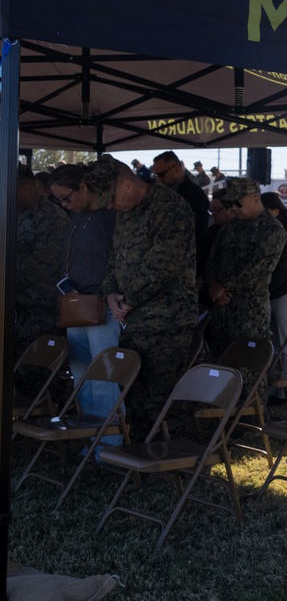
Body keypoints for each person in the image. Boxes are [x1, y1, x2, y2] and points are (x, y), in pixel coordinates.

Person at [84, 153, 199, 440]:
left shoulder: (169, 207)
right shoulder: (126, 212)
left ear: (125, 184)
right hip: (134, 319)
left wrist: (130, 298)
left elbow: (162, 263)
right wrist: (111, 293)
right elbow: (115, 257)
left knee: (161, 393)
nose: (110, 206)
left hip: (166, 320)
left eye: (110, 198)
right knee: (133, 389)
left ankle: (169, 459)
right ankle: (140, 454)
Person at [49, 164, 123, 448]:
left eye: (66, 198)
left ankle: (109, 444)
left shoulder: (109, 217)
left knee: (104, 380)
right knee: (81, 377)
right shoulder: (76, 217)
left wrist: (108, 293)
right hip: (75, 305)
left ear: (83, 187)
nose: (64, 204)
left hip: (101, 307)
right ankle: (90, 439)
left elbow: (117, 261)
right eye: (59, 201)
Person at [204, 178, 286, 360]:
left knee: (247, 371)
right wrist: (213, 284)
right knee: (218, 369)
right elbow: (213, 260)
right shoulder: (229, 228)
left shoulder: (272, 230)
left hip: (249, 314)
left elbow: (257, 270)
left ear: (256, 199)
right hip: (221, 313)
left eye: (237, 203)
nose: (233, 208)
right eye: (229, 204)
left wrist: (222, 288)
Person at [14, 166, 69, 356]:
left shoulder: (51, 217)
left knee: (37, 372)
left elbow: (47, 260)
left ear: (27, 188)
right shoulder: (14, 214)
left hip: (40, 311)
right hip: (17, 309)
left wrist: (8, 281)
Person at [260, 192, 287, 380]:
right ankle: (279, 383)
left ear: (275, 210)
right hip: (277, 289)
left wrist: (267, 288)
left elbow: (284, 266)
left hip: (284, 290)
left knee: (286, 339)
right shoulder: (280, 228)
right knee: (278, 340)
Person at [152, 150, 211, 281]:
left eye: (161, 174)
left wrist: (199, 271)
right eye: (156, 175)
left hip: (185, 268)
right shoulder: (161, 193)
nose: (158, 179)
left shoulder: (194, 195)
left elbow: (200, 234)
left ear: (177, 169)